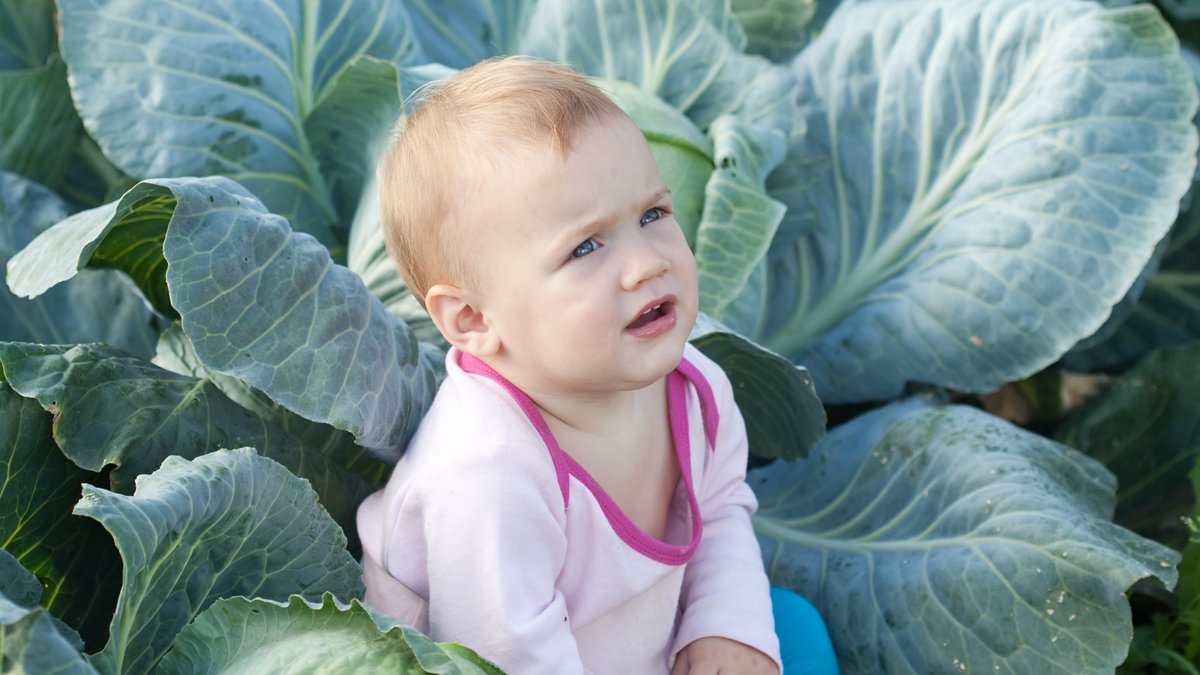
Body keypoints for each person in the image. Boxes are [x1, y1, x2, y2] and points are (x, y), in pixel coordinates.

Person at [356, 55, 836, 674]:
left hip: (630, 638)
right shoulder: (488, 474)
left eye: (653, 215)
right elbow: (508, 658)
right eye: (585, 247)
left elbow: (719, 508)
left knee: (789, 625)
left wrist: (725, 626)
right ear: (474, 319)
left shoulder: (694, 387)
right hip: (505, 660)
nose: (646, 263)